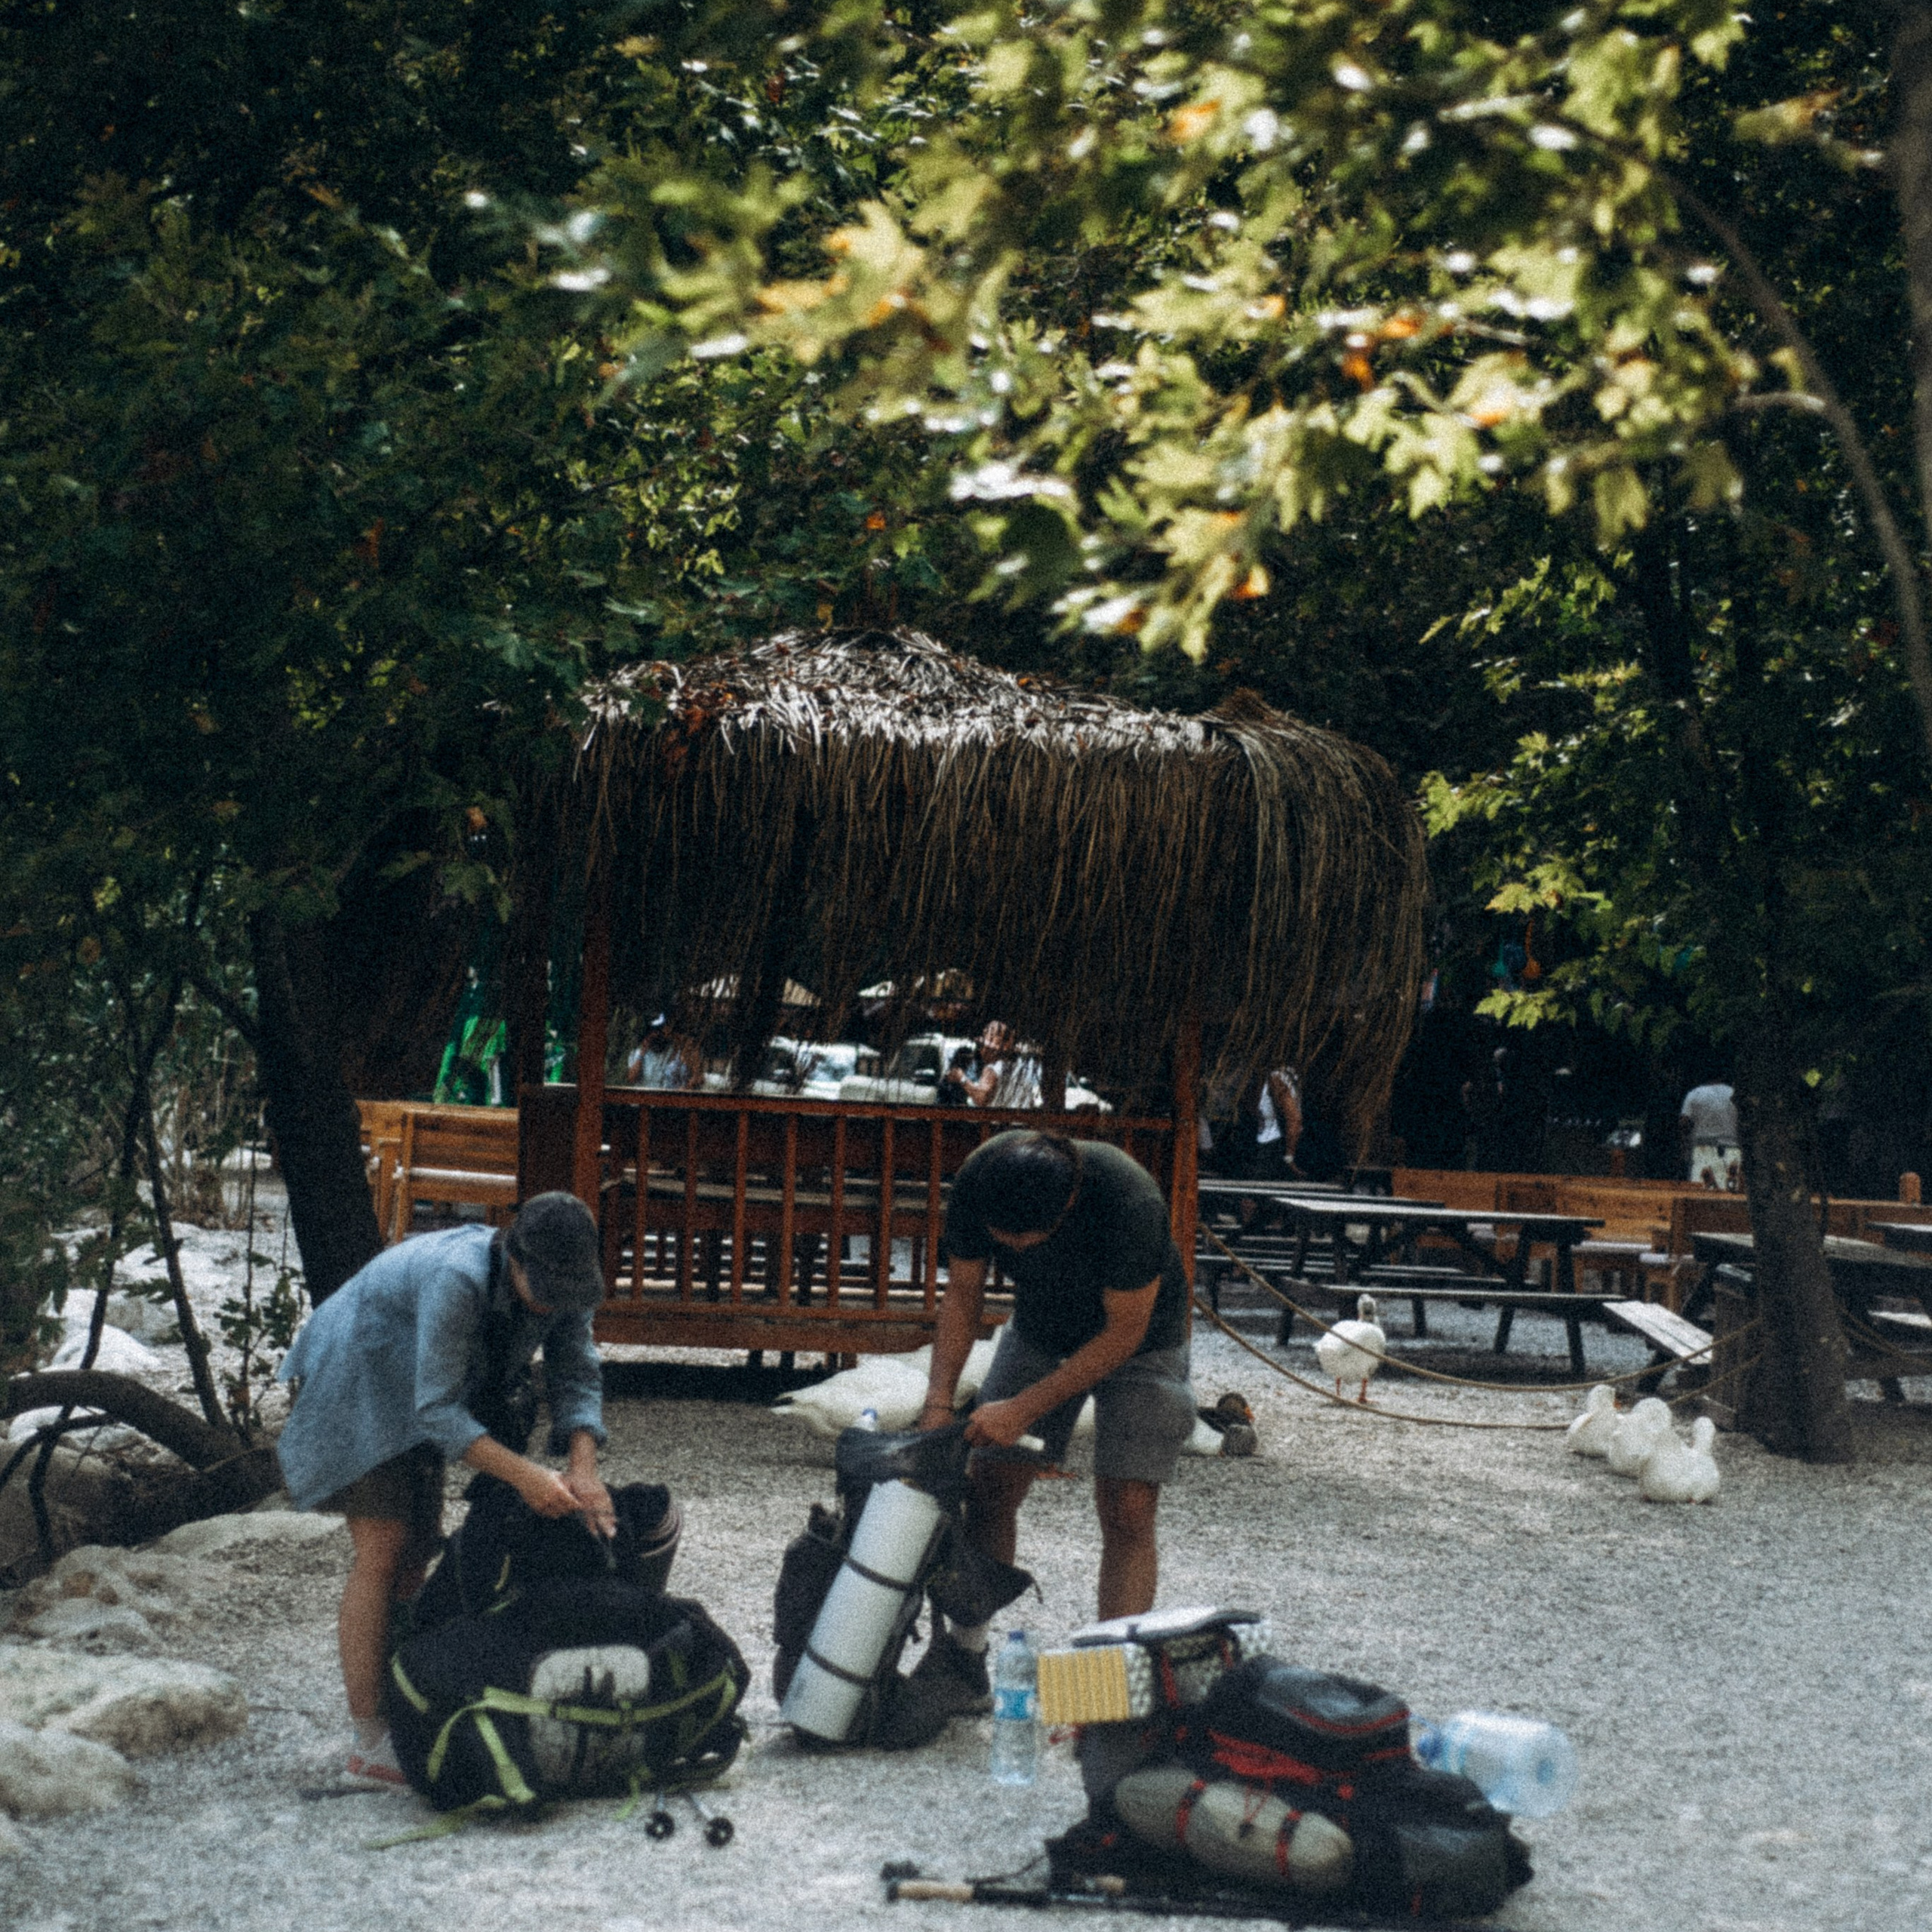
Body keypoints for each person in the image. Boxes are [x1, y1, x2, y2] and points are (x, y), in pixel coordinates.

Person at [275, 1192, 616, 1787]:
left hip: (422, 1382)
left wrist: (583, 1467)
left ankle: (403, 1704)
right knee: (382, 1549)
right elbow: (436, 1411)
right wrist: (528, 1476)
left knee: (417, 1552)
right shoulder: (456, 1278)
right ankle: (370, 1742)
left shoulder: (569, 1284)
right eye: (545, 1287)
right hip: (362, 1369)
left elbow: (576, 1370)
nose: (556, 1303)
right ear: (514, 1257)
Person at [906, 1131, 1195, 1720]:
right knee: (990, 1483)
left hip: (1143, 1339)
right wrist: (939, 1404)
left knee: (1129, 1505)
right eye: (1002, 1239)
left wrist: (1022, 1408)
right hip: (1040, 1326)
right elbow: (963, 1294)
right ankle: (966, 1661)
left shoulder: (1129, 1200)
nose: (1010, 1249)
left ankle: (1110, 1689)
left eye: (1023, 1241)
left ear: (1065, 1209)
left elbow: (1122, 1333)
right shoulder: (979, 1178)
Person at [960, 1020, 1043, 1109]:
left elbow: (981, 1099)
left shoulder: (993, 1068)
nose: (985, 1043)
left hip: (996, 1121)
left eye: (991, 1037)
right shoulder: (1030, 1065)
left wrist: (961, 1078)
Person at [1679, 1078, 1740, 1189]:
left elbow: (1684, 1123)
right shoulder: (1734, 1094)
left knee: (1701, 1192)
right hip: (1732, 1149)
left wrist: (1685, 1147)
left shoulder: (1695, 1094)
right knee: (1731, 1191)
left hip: (1702, 1149)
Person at [626, 1015, 700, 1090]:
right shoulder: (637, 1054)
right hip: (644, 1098)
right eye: (654, 1033)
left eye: (660, 1033)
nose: (658, 1036)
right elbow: (632, 1079)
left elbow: (690, 1078)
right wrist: (642, 1053)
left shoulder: (673, 1052)